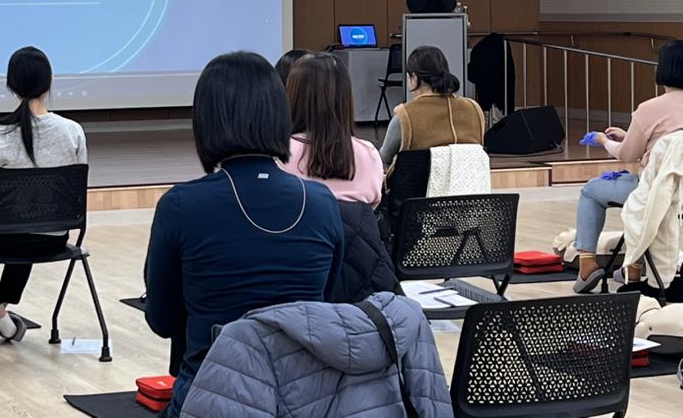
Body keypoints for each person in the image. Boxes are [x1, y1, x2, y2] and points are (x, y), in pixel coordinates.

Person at [144, 51, 344, 418]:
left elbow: (162, 320)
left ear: (207, 121)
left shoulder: (181, 206)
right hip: (306, 401)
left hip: (211, 398)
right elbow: (324, 306)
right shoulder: (321, 203)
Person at [0, 46, 87, 341]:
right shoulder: (73, 131)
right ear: (49, 82)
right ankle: (1, 313)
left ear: (11, 86)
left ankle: (0, 318)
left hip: (7, 237)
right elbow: (76, 195)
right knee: (30, 223)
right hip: (54, 237)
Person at [572, 39, 683, 293]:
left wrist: (603, 141)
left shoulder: (650, 109)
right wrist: (632, 136)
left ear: (663, 69)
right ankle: (633, 267)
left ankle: (587, 264)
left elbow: (627, 155)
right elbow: (678, 146)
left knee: (591, 190)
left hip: (658, 193)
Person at [280, 52, 383, 208]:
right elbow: (370, 208)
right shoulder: (369, 154)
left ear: (293, 94)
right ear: (346, 97)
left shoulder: (280, 156)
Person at [378, 45, 485, 170]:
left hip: (419, 182)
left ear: (414, 78)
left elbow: (384, 158)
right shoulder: (473, 109)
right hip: (468, 181)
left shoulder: (405, 115)